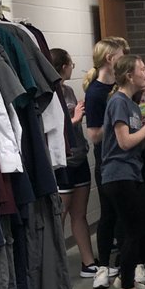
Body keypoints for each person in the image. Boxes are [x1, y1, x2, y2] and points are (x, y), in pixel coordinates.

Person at [99, 55, 145, 289]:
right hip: (119, 175)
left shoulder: (132, 105)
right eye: (141, 69)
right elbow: (124, 142)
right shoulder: (118, 102)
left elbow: (135, 144)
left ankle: (125, 278)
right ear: (129, 75)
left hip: (131, 172)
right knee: (134, 232)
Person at [83, 36, 130, 289]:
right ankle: (103, 266)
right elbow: (94, 134)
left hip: (126, 160)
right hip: (107, 161)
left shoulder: (121, 88)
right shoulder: (96, 92)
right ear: (111, 59)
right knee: (108, 214)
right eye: (122, 54)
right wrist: (118, 122)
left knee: (125, 215)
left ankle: (127, 266)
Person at [49, 48, 97, 276]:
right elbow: (50, 128)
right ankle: (54, 266)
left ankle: (88, 262)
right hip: (63, 162)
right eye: (70, 63)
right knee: (61, 213)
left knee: (80, 212)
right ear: (63, 66)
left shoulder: (67, 90)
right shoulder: (49, 93)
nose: (73, 66)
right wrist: (75, 119)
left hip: (78, 157)